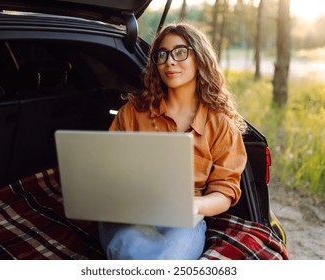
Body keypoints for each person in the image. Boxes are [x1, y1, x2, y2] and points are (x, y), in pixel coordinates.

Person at [98, 22, 248, 260]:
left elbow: (225, 192)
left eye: (180, 52)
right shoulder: (133, 112)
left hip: (183, 219)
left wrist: (195, 206)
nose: (169, 61)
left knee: (166, 259)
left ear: (200, 58)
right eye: (162, 54)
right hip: (129, 212)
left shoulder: (221, 125)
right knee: (131, 249)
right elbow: (107, 168)